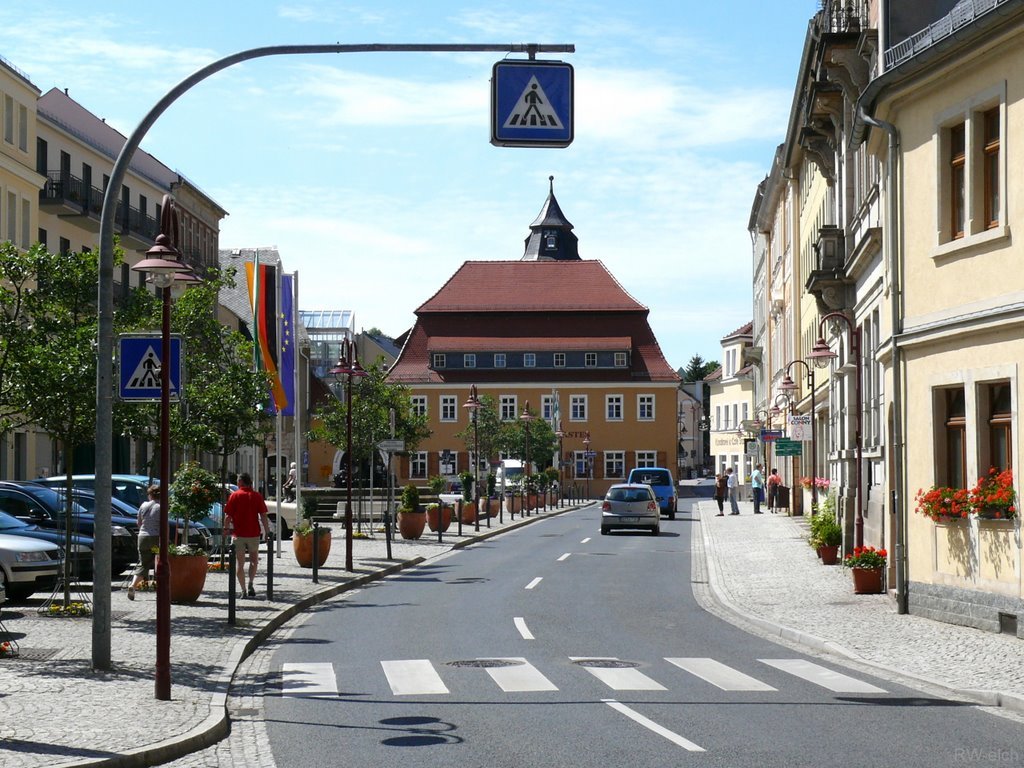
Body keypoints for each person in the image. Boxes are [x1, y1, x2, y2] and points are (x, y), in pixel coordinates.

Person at [224, 472, 272, 598]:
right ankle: (250, 582)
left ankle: (243, 590)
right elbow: (263, 515)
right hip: (253, 533)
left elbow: (228, 516)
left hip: (238, 534)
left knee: (240, 564)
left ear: (240, 482)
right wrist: (267, 531)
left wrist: (225, 529)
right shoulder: (256, 496)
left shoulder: (234, 495)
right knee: (254, 561)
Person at [128, 484, 161, 600]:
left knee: (143, 564)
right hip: (155, 539)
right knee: (158, 559)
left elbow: (139, 523)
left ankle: (133, 585)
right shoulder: (160, 507)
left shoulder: (143, 505)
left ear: (150, 495)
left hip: (142, 538)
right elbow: (163, 525)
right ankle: (159, 587)